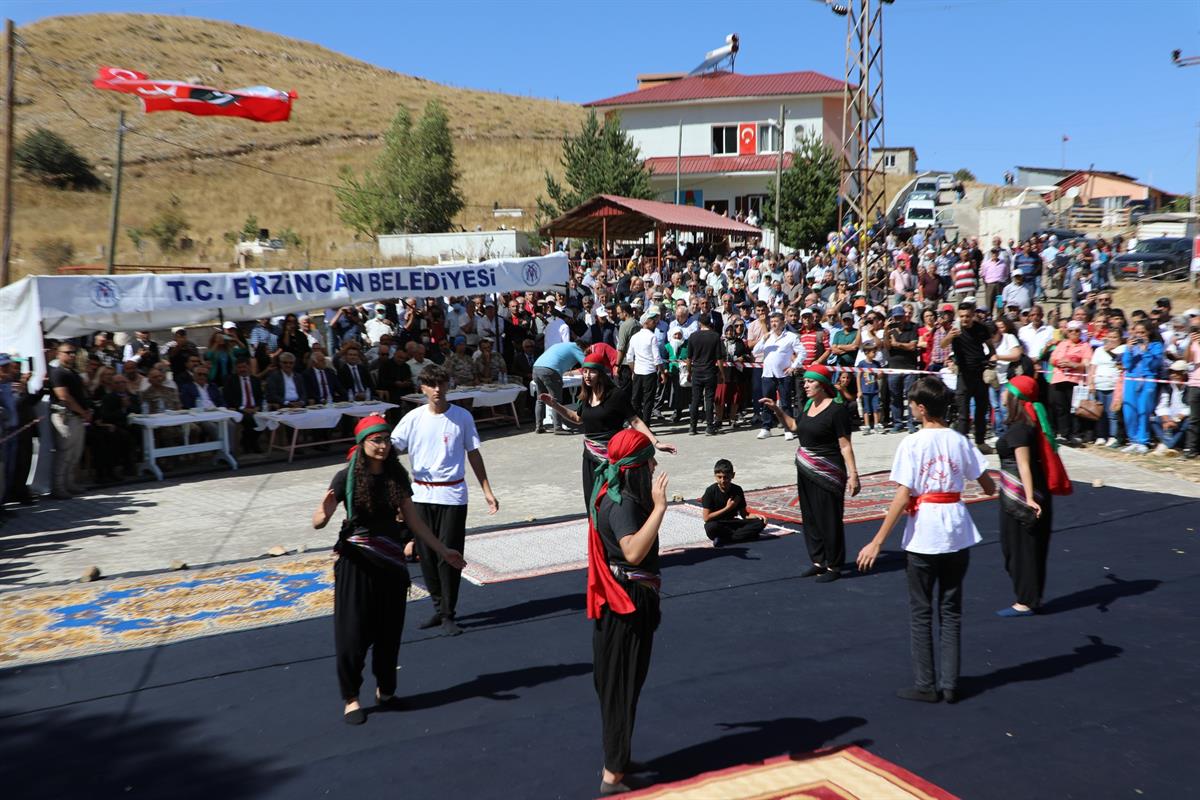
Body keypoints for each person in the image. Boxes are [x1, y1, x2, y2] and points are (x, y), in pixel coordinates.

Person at [312, 415, 466, 725]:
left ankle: (386, 689)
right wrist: (324, 511)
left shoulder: (396, 476)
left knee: (388, 630)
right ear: (362, 443)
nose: (383, 446)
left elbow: (414, 520)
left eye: (386, 440)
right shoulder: (346, 478)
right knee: (352, 633)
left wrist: (442, 549)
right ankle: (351, 697)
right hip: (356, 564)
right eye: (376, 441)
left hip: (391, 565)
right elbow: (318, 520)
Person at [856, 377, 997, 703]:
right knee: (951, 610)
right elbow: (989, 486)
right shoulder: (960, 441)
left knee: (921, 612)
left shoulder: (913, 444)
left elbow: (903, 493)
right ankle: (949, 684)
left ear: (921, 408)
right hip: (956, 531)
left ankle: (926, 683)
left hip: (924, 536)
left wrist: (877, 540)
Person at [585, 428, 668, 796]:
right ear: (636, 467)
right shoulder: (624, 504)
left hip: (622, 599)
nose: (653, 465)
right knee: (622, 685)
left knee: (618, 683)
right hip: (627, 602)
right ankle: (613, 774)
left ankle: (617, 757)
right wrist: (661, 507)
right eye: (649, 460)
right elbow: (633, 552)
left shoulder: (613, 491)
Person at [390, 365, 498, 636]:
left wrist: (486, 490)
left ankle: (449, 611)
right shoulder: (412, 418)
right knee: (426, 554)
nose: (437, 389)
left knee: (449, 553)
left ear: (448, 385)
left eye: (441, 383)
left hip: (452, 494)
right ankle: (438, 609)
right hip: (421, 494)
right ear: (422, 388)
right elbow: (390, 449)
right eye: (431, 384)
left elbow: (474, 454)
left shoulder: (462, 417)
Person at [538, 344, 675, 515]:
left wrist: (656, 443)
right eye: (585, 371)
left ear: (601, 374)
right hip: (589, 457)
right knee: (592, 501)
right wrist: (555, 405)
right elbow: (577, 418)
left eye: (592, 371)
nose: (587, 376)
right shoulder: (586, 396)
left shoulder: (616, 395)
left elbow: (635, 420)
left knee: (612, 500)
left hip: (613, 457)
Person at [761, 364, 861, 582]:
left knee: (829, 518)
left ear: (822, 385)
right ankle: (818, 561)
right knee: (811, 517)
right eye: (804, 381)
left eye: (809, 381)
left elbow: (845, 445)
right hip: (806, 469)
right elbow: (795, 427)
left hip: (828, 470)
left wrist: (853, 474)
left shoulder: (837, 410)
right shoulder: (807, 405)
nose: (805, 385)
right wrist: (777, 410)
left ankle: (834, 565)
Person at [995, 375, 1071, 617]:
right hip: (1019, 493)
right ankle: (1029, 597)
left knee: (1021, 548)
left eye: (1006, 389)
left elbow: (1024, 465)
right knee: (1017, 547)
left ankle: (1026, 601)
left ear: (1016, 397)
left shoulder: (1020, 429)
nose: (1002, 393)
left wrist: (1028, 499)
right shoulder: (1023, 424)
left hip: (1021, 495)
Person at [945, 301, 995, 453]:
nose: (965, 319)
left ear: (973, 315)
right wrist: (949, 336)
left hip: (980, 373)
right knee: (963, 413)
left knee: (981, 410)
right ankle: (962, 446)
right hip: (963, 375)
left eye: (967, 316)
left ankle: (980, 442)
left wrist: (991, 362)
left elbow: (991, 347)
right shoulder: (955, 330)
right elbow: (942, 345)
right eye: (962, 316)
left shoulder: (981, 329)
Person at [48, 341, 92, 498]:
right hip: (65, 416)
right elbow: (63, 396)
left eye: (73, 352)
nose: (72, 355)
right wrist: (82, 412)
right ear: (59, 353)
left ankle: (69, 483)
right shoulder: (57, 372)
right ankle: (58, 488)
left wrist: (85, 411)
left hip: (77, 417)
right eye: (68, 352)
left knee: (74, 454)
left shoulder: (72, 372)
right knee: (64, 453)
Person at [754, 311, 804, 440]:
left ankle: (788, 429)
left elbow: (803, 353)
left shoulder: (791, 337)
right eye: (772, 322)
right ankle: (766, 427)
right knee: (767, 402)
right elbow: (755, 352)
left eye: (776, 321)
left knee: (785, 402)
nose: (774, 324)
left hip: (783, 375)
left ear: (783, 322)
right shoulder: (767, 336)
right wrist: (762, 340)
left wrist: (793, 366)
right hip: (767, 375)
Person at [701, 459, 767, 546]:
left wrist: (757, 516)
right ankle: (742, 536)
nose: (723, 480)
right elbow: (706, 518)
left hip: (732, 523)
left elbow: (744, 514)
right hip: (718, 524)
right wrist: (727, 508)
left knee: (760, 523)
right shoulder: (710, 491)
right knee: (711, 527)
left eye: (726, 477)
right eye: (719, 477)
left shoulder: (737, 490)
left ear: (733, 475)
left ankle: (725, 539)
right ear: (715, 476)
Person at [1121, 321, 1164, 454]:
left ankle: (1142, 440)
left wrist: (1146, 351)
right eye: (1136, 332)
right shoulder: (1131, 346)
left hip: (1147, 379)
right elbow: (1126, 364)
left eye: (1142, 332)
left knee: (1143, 410)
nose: (1139, 335)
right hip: (1131, 379)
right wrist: (1128, 349)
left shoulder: (1156, 346)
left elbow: (1154, 365)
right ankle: (1133, 439)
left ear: (1148, 333)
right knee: (1128, 410)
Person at [1048, 321, 1091, 445]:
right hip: (1059, 378)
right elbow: (1052, 359)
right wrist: (1059, 362)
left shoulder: (1084, 346)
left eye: (1076, 330)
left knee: (1075, 408)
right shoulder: (1062, 344)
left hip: (1075, 380)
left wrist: (1074, 364)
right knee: (1060, 408)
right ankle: (1063, 433)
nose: (1073, 333)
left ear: (1080, 332)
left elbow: (1086, 364)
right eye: (1071, 330)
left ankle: (1076, 434)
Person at [533, 340, 585, 434]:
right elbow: (586, 363)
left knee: (540, 399)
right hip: (550, 370)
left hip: (536, 367)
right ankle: (558, 428)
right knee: (556, 400)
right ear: (582, 346)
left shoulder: (560, 345)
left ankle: (539, 426)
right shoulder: (576, 347)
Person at [685, 312, 722, 436]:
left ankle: (692, 427)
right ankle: (709, 427)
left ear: (699, 323)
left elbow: (689, 358)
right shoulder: (715, 336)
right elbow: (719, 358)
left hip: (697, 371)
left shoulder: (693, 336)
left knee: (695, 399)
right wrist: (722, 373)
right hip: (710, 371)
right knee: (709, 399)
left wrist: (689, 372)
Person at [628, 310, 664, 425]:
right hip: (649, 372)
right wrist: (662, 372)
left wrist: (633, 370)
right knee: (648, 399)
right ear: (646, 322)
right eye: (652, 320)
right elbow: (657, 357)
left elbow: (629, 357)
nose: (654, 322)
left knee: (636, 399)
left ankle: (636, 423)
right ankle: (646, 424)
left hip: (638, 371)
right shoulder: (652, 336)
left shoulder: (634, 337)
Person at [223, 356, 264, 454]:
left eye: (244, 367)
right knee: (249, 419)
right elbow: (229, 397)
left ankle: (248, 441)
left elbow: (260, 396)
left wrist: (257, 407)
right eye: (239, 367)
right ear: (236, 368)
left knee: (265, 419)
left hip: (255, 408)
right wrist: (242, 408)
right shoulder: (231, 380)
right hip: (239, 409)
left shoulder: (255, 380)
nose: (242, 369)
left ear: (249, 367)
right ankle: (251, 444)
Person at [1151, 361, 1191, 456]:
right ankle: (1171, 445)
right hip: (1169, 419)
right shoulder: (1167, 386)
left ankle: (1166, 446)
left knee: (1188, 422)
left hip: (1181, 418)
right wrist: (1166, 420)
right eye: (1172, 372)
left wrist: (1176, 420)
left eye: (1177, 372)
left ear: (1184, 374)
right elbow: (1162, 405)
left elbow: (1189, 408)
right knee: (1153, 419)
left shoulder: (1190, 387)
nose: (1174, 375)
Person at [857, 341, 883, 434]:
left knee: (876, 408)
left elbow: (879, 377)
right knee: (866, 409)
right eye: (873, 352)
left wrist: (880, 374)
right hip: (865, 391)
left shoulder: (876, 364)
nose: (875, 354)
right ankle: (867, 425)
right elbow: (858, 377)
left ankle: (876, 425)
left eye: (875, 352)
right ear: (866, 353)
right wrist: (859, 390)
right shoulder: (862, 364)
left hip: (874, 390)